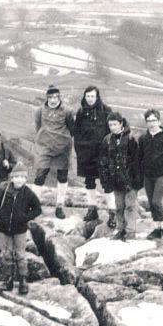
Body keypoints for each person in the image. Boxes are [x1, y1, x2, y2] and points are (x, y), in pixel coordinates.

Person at [0, 162, 41, 294]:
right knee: (6, 254)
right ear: (11, 178)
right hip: (3, 229)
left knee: (20, 255)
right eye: (16, 177)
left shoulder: (28, 193)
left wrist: (24, 217)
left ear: (25, 179)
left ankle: (23, 280)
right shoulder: (3, 190)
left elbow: (38, 209)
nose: (19, 180)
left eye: (22, 177)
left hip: (20, 230)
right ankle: (8, 280)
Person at [72, 85, 116, 227]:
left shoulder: (106, 111)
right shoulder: (81, 112)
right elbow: (76, 131)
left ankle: (112, 213)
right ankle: (92, 210)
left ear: (97, 97)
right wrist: (79, 149)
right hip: (86, 153)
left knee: (107, 183)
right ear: (85, 97)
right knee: (89, 182)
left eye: (92, 96)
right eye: (88, 96)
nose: (90, 99)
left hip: (103, 154)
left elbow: (114, 130)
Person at [99, 112, 143, 241]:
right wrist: (105, 180)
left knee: (130, 205)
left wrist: (138, 180)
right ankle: (121, 230)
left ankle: (131, 231)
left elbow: (138, 160)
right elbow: (103, 161)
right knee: (119, 206)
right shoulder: (107, 140)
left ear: (121, 124)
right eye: (110, 125)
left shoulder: (131, 139)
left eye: (115, 124)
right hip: (115, 179)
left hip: (130, 179)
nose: (112, 127)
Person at [33, 84, 74, 218]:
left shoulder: (67, 111)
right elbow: (38, 126)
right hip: (44, 146)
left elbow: (71, 128)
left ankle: (59, 206)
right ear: (47, 98)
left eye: (56, 96)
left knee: (62, 176)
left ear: (59, 97)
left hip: (62, 147)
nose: (53, 99)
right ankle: (33, 206)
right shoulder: (39, 111)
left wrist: (63, 140)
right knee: (40, 175)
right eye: (50, 97)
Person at [139, 109, 163, 241]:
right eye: (149, 121)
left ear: (159, 121)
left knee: (157, 201)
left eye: (154, 120)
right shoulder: (143, 138)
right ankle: (157, 229)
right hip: (147, 174)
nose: (151, 123)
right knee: (151, 203)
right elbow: (140, 156)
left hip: (161, 174)